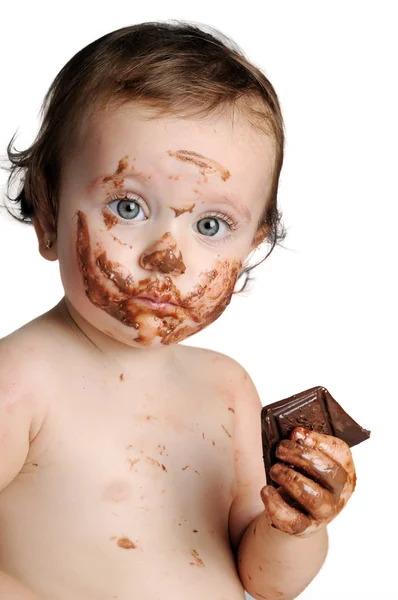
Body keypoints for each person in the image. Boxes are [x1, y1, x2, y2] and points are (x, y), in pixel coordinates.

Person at [0, 21, 357, 600]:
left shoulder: (226, 389)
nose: (167, 256)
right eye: (128, 205)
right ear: (47, 213)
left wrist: (294, 527)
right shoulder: (21, 382)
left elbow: (264, 583)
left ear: (252, 247)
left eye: (211, 225)